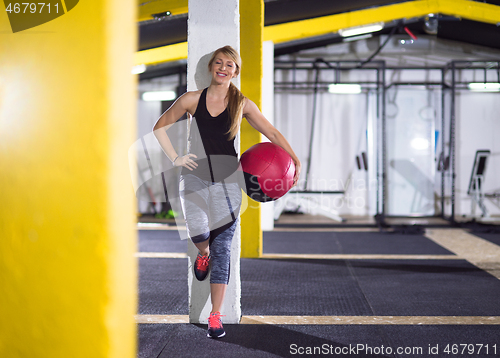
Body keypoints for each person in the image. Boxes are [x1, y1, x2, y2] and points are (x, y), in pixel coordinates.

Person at [153, 45, 301, 339]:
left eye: (230, 64)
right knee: (198, 231)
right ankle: (202, 253)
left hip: (229, 181)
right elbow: (160, 127)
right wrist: (176, 158)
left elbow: (270, 133)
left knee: (224, 249)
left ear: (236, 71)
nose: (223, 67)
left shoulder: (243, 104)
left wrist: (294, 159)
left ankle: (215, 315)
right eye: (219, 63)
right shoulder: (192, 99)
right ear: (212, 67)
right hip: (194, 176)